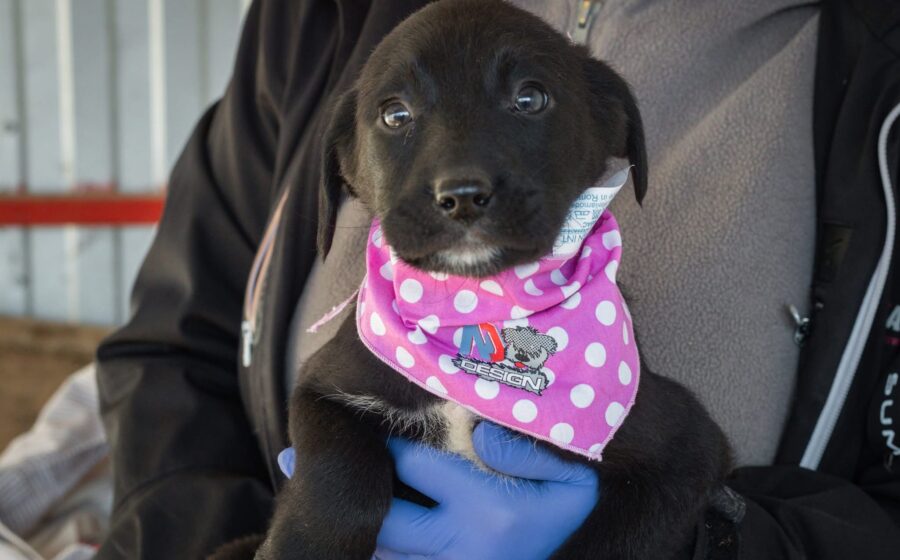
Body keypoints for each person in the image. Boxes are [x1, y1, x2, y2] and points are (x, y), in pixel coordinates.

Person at [94, 0, 900, 558]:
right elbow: (173, 356)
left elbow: (689, 460)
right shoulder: (317, 20)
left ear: (612, 130)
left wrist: (703, 546)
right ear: (342, 169)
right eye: (397, 117)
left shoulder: (872, 53)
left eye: (529, 98)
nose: (460, 180)